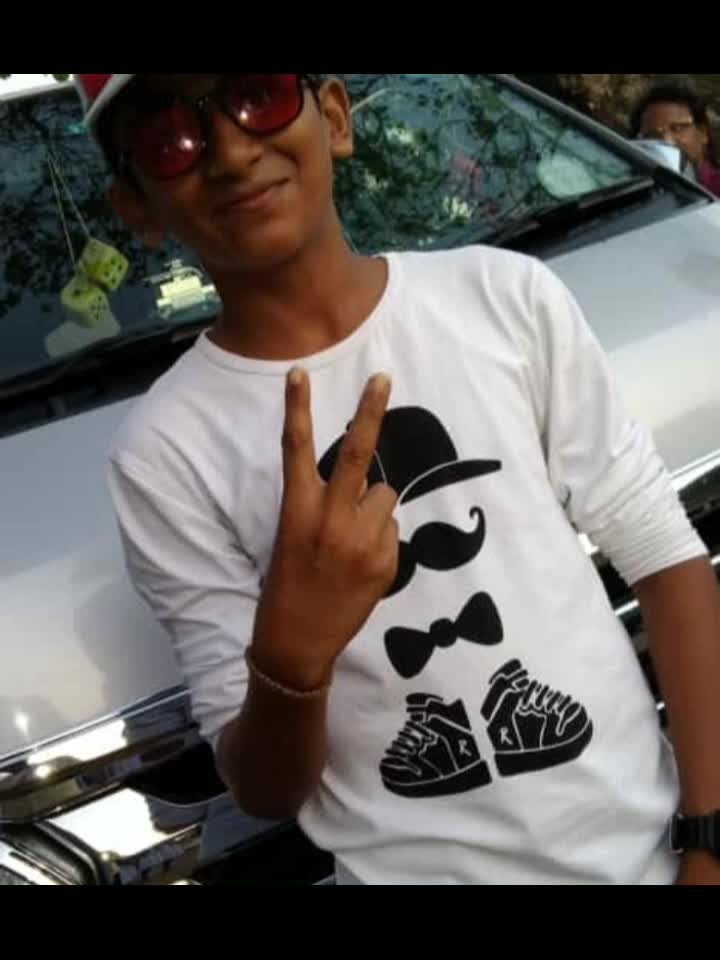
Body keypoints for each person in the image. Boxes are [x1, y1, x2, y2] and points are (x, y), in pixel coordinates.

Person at [74, 73, 720, 885]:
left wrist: (708, 836)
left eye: (259, 95)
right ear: (135, 206)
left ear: (334, 117)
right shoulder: (163, 453)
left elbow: (664, 555)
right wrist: (292, 657)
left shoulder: (503, 298)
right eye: (170, 138)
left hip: (651, 854)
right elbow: (265, 790)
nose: (232, 151)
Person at [630, 78, 720, 197]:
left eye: (677, 128)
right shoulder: (635, 193)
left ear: (703, 133)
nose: (667, 141)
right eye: (653, 135)